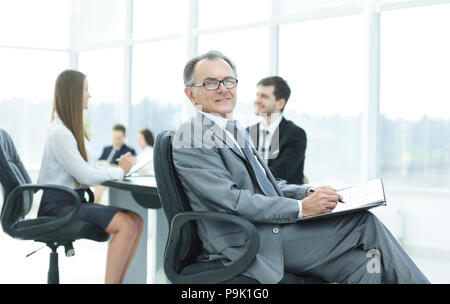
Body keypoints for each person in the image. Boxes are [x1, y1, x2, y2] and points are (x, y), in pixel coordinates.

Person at [172, 50, 430, 284]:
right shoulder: (191, 136)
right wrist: (300, 209)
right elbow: (232, 201)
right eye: (210, 83)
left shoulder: (234, 129)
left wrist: (307, 193)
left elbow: (267, 185)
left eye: (228, 81)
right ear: (190, 93)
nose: (223, 89)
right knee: (363, 222)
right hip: (244, 240)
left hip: (268, 229)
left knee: (365, 266)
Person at [37, 70, 143, 284]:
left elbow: (85, 167)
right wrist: (120, 170)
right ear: (72, 93)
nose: (89, 95)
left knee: (137, 221)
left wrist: (115, 168)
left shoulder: (70, 130)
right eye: (86, 89)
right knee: (128, 224)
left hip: (71, 200)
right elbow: (85, 174)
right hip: (58, 206)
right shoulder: (59, 132)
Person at [247, 76, 307, 184]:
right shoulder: (247, 132)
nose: (257, 100)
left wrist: (247, 177)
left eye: (264, 96)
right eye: (257, 95)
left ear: (280, 103)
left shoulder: (295, 134)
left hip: (286, 197)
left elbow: (281, 172)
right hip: (254, 197)